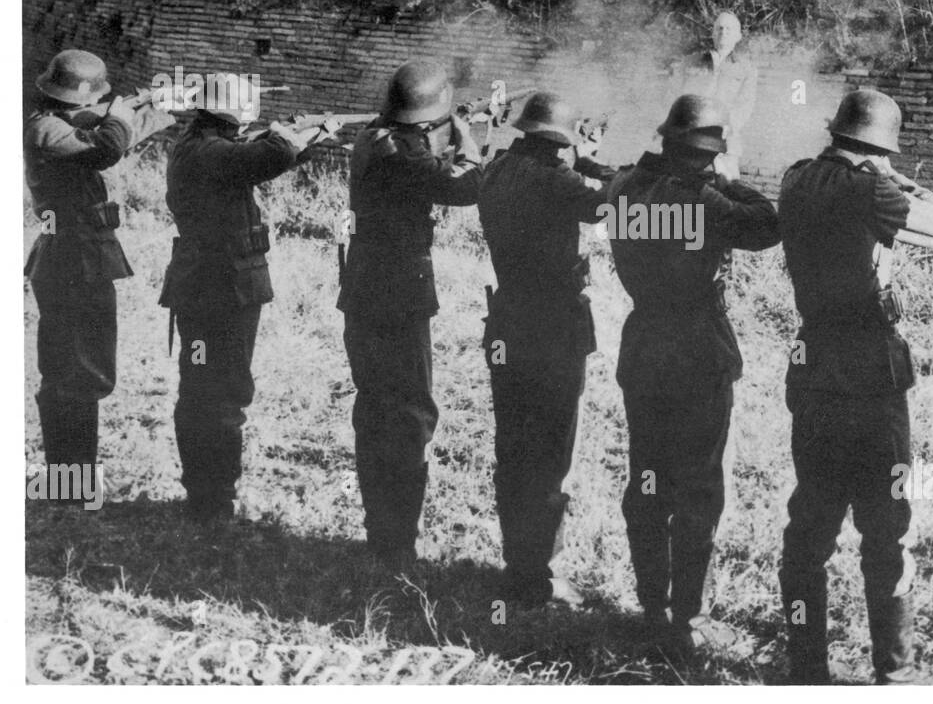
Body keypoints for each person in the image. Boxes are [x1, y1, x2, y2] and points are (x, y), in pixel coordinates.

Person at [778, 88, 933, 684]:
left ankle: (807, 670)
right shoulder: (875, 189)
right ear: (880, 148)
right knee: (886, 527)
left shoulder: (796, 179)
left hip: (815, 364)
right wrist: (898, 178)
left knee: (811, 526)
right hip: (872, 374)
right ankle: (895, 673)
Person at [607, 94, 780, 654]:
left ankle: (652, 607)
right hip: (696, 354)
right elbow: (768, 227)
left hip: (644, 346)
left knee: (648, 479)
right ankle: (689, 618)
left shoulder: (625, 188)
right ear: (708, 153)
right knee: (698, 485)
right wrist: (729, 181)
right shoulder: (706, 198)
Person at [337, 60, 482, 574]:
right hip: (399, 293)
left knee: (377, 408)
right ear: (428, 121)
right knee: (407, 414)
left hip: (365, 287)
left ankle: (383, 534)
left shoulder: (375, 137)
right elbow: (468, 186)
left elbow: (421, 160)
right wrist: (466, 138)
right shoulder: (403, 156)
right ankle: (395, 545)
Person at [477, 92, 614, 608]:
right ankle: (538, 577)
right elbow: (614, 210)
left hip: (508, 322)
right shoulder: (558, 182)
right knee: (551, 454)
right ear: (558, 142)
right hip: (552, 330)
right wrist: (611, 168)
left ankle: (518, 563)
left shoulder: (496, 172)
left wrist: (578, 158)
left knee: (513, 449)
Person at [159, 78, 308, 521]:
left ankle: (205, 494)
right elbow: (273, 155)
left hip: (203, 284)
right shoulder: (211, 152)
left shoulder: (197, 146)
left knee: (202, 385)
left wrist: (304, 139)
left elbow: (263, 159)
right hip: (223, 288)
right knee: (223, 390)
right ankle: (215, 501)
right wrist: (287, 134)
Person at [24, 50, 160, 495]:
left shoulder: (59, 124)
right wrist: (119, 114)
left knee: (74, 369)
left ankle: (69, 482)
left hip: (74, 258)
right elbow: (106, 149)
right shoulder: (46, 129)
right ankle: (70, 485)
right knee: (78, 372)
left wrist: (152, 108)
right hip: (73, 261)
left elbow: (113, 139)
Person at [672, 12, 757, 180]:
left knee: (727, 187)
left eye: (729, 29)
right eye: (719, 28)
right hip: (691, 136)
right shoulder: (691, 61)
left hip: (725, 139)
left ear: (738, 36)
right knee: (680, 186)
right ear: (712, 33)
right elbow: (675, 95)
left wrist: (727, 128)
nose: (723, 32)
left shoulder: (746, 68)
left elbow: (744, 105)